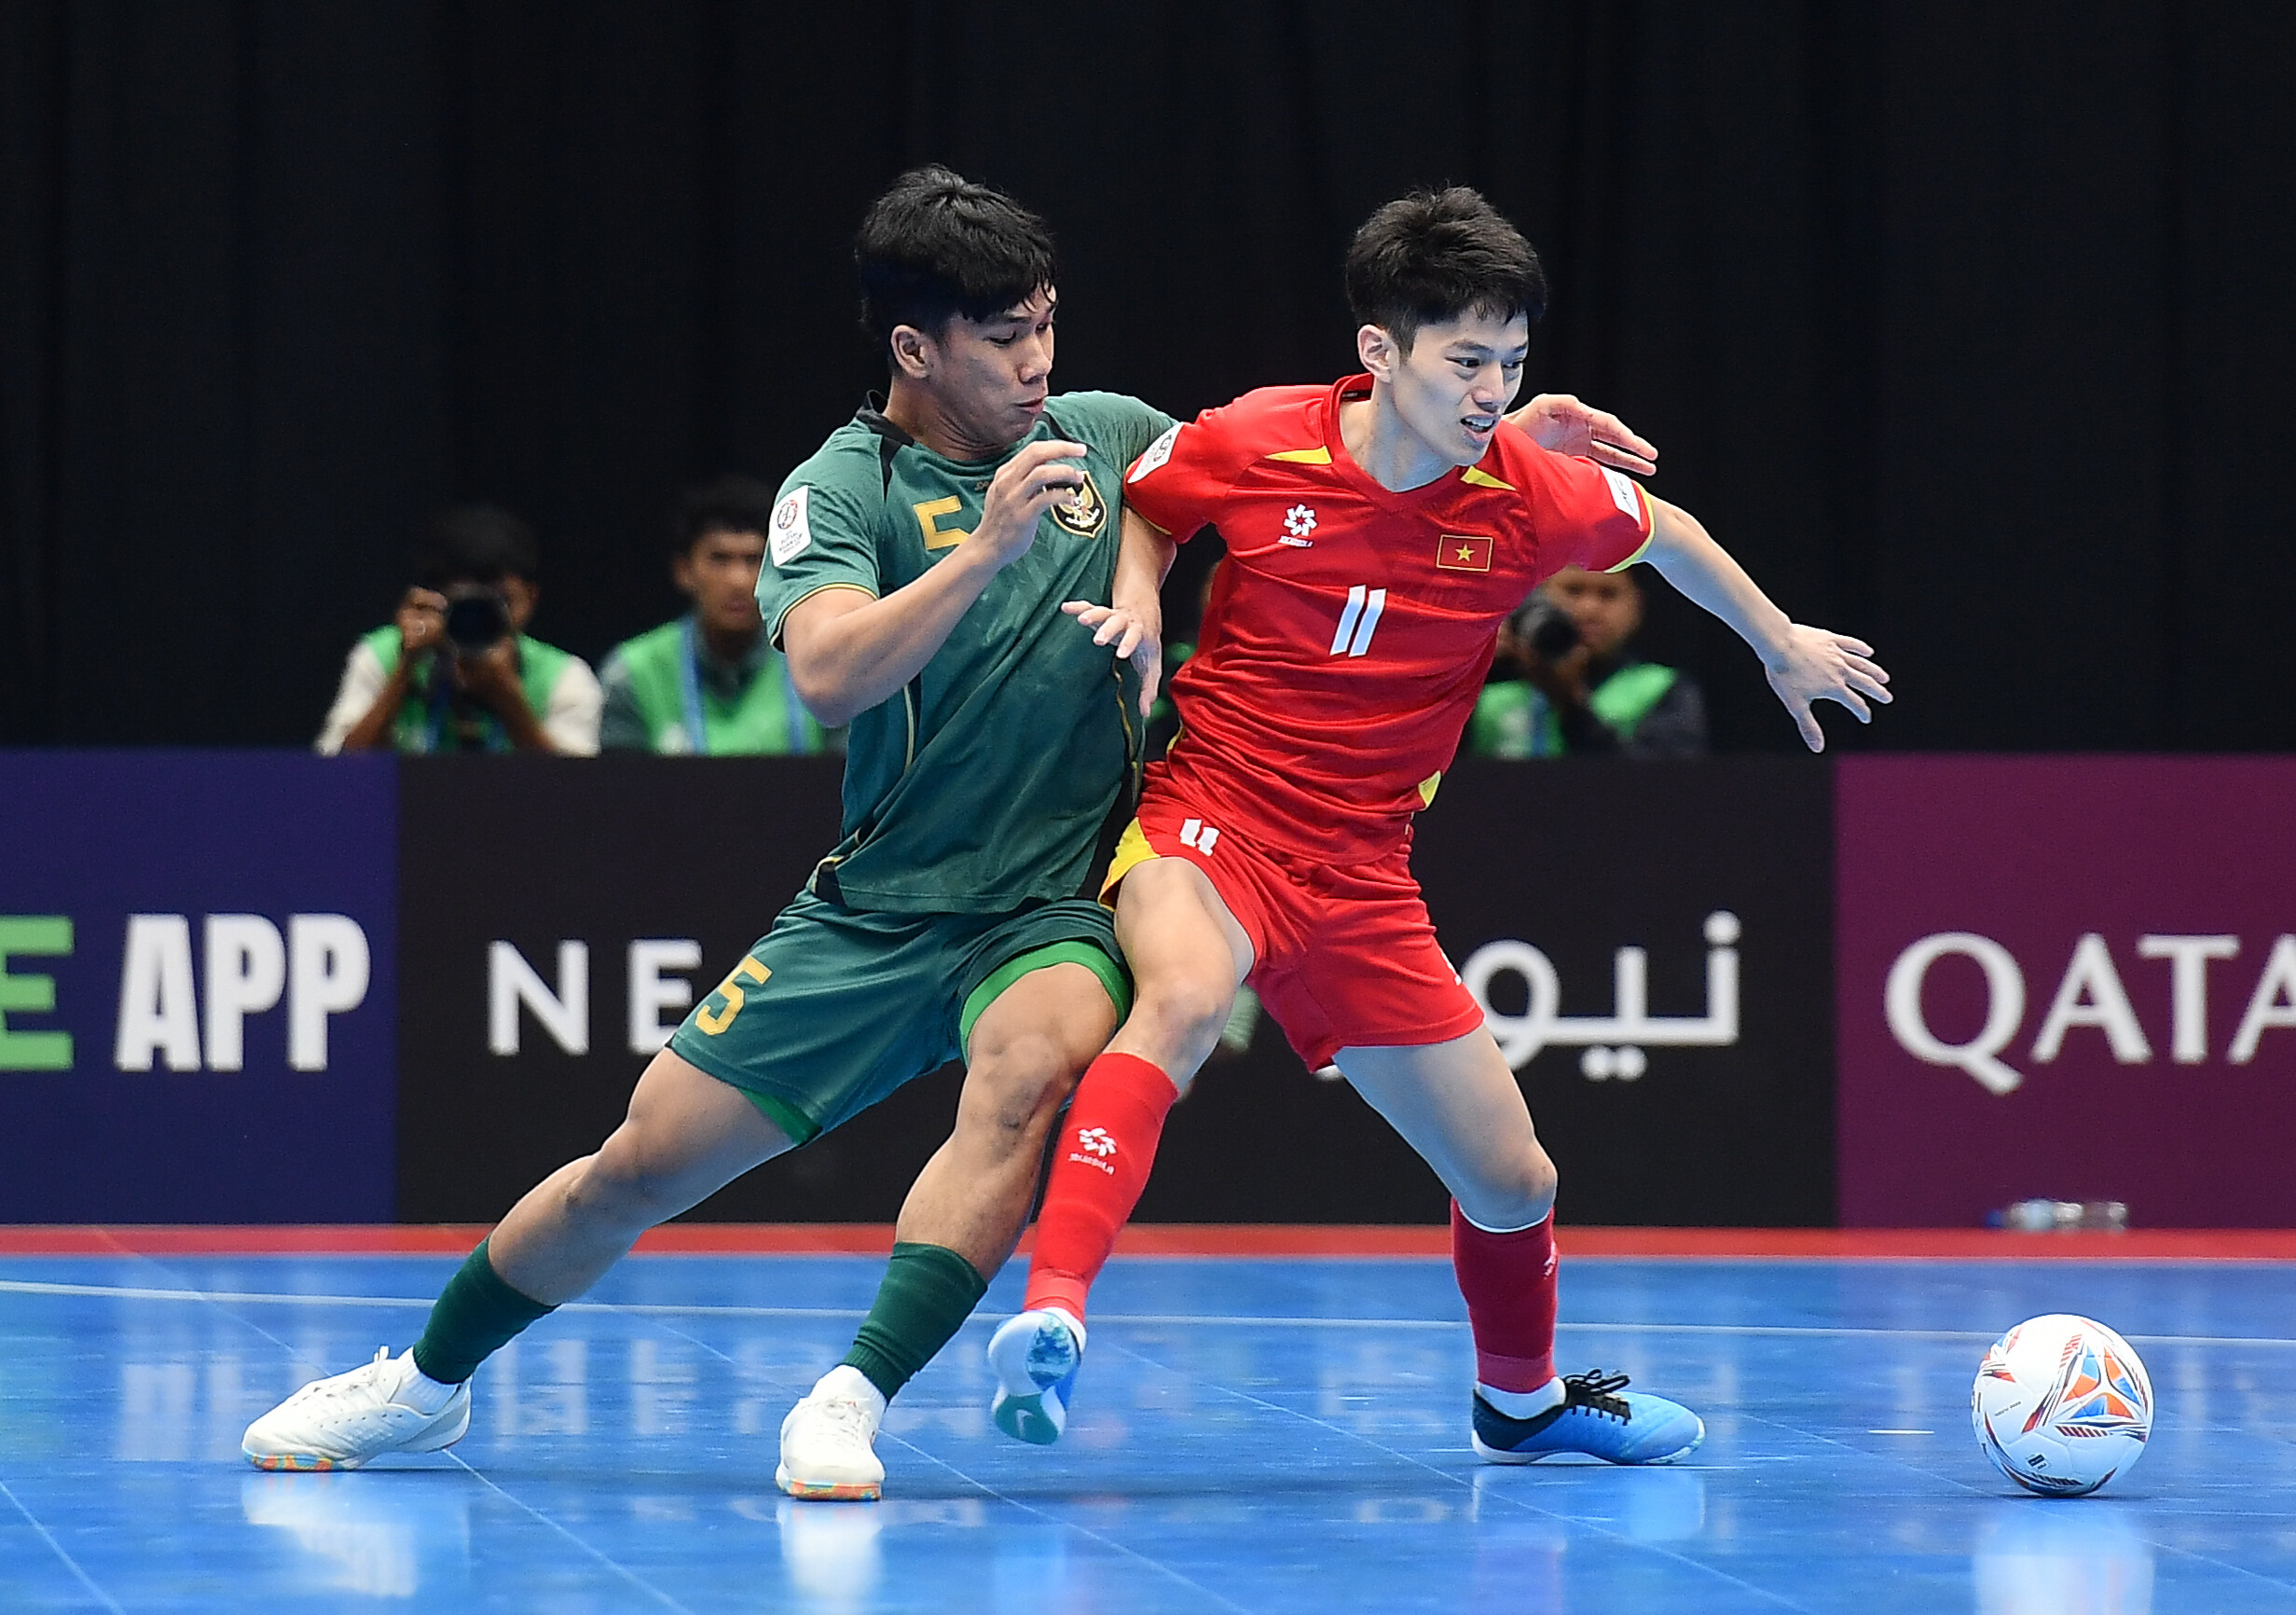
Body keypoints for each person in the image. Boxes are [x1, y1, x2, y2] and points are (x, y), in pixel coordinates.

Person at [241, 168, 1656, 1501]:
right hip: (876, 903)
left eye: (1047, 326)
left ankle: (852, 1392)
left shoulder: (1107, 434)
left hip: (1054, 905)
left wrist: (1483, 427)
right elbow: (825, 674)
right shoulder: (839, 490)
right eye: (1004, 338)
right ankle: (425, 1380)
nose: (1039, 362)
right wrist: (983, 552)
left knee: (1030, 1074)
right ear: (915, 347)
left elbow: (1312, 459)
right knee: (641, 1164)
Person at [989, 186, 1890, 1468]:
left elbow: (1667, 533)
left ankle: (1521, 1401)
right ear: (1379, 351)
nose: (1491, 389)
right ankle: (1053, 1316)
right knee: (1182, 1000)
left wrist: (1777, 639)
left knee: (1514, 1180)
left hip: (1362, 873)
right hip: (1214, 815)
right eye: (1465, 360)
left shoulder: (1525, 491)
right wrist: (1138, 600)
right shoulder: (1261, 438)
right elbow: (1152, 498)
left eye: (1509, 361)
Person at [315, 504, 601, 755]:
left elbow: (577, 793)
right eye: (464, 602)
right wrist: (404, 672)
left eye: (500, 602)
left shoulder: (565, 677)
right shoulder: (383, 656)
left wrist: (509, 701)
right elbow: (335, 779)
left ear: (530, 598)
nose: (478, 617)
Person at [597, 475, 837, 755]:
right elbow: (619, 781)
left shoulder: (821, 664)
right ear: (684, 571)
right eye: (719, 559)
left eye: (754, 560)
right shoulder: (632, 673)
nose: (738, 580)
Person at [1466, 565, 1707, 757]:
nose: (1589, 609)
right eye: (1573, 590)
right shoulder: (1486, 688)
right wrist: (1468, 667)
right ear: (1536, 596)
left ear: (1637, 606)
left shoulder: (1663, 690)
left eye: (1608, 594)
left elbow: (1661, 789)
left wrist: (1572, 704)